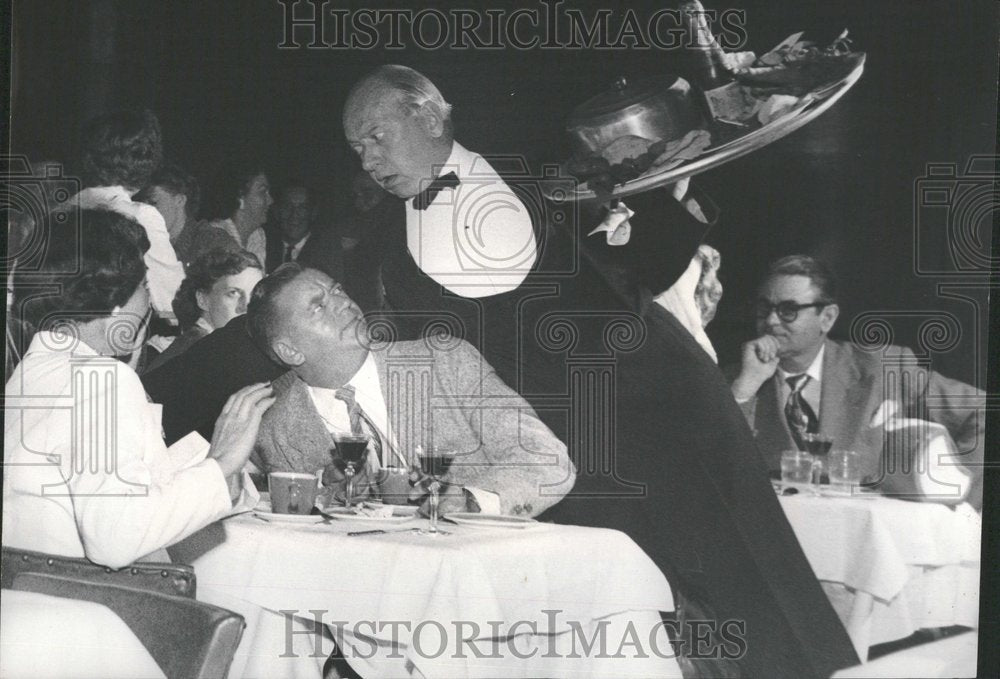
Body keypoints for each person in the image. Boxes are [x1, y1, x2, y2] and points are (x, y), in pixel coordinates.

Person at [341, 65, 860, 677]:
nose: (369, 159)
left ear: (428, 117)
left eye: (376, 136)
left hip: (668, 407)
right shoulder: (385, 258)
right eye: (356, 149)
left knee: (757, 589)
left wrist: (678, 183)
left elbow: (647, 264)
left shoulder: (550, 171)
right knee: (613, 633)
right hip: (567, 457)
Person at [3, 208, 271, 569]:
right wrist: (222, 462)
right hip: (87, 606)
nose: (149, 301)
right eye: (144, 286)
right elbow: (116, 538)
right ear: (115, 306)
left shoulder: (30, 374)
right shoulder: (103, 380)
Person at [246, 263, 574, 517]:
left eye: (338, 290)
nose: (344, 303)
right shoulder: (271, 425)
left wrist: (470, 502)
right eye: (318, 306)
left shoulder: (446, 362)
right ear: (290, 351)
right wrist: (328, 495)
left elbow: (549, 462)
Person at [729, 254, 984, 508]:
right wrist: (744, 388)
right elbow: (710, 460)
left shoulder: (883, 367)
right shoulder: (737, 381)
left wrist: (957, 491)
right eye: (764, 309)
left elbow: (985, 410)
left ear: (827, 318)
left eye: (788, 311)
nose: (771, 321)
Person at [73, 109, 185, 321]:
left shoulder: (58, 211)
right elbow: (173, 303)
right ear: (147, 159)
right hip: (111, 344)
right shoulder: (140, 217)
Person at [144, 248, 263, 373]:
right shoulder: (201, 350)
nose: (246, 306)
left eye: (255, 294)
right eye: (233, 293)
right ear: (203, 300)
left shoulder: (224, 345)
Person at [190, 159, 273, 267]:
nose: (271, 200)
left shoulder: (258, 236)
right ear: (240, 197)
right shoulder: (213, 236)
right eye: (262, 192)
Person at [264, 181, 343, 280]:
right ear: (277, 211)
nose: (294, 215)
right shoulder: (263, 245)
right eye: (287, 207)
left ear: (313, 213)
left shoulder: (329, 251)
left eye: (302, 208)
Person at [135, 161, 204, 265]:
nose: (145, 211)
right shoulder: (142, 244)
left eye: (153, 203)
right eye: (142, 204)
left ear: (180, 200)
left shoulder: (212, 244)